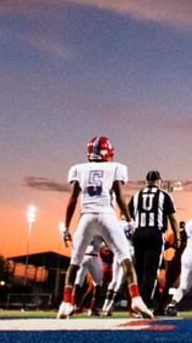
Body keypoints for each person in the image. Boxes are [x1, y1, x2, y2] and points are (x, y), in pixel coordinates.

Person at [58, 136, 152, 319]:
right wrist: (129, 218)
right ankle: (136, 299)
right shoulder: (115, 167)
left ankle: (66, 302)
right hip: (107, 216)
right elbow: (119, 196)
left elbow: (72, 200)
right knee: (125, 260)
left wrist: (67, 227)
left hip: (86, 217)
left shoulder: (78, 169)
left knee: (74, 264)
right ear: (107, 152)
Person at [128, 170, 179, 309]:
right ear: (159, 181)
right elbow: (173, 219)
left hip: (138, 233)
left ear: (146, 182)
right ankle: (145, 303)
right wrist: (177, 237)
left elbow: (130, 214)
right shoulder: (164, 195)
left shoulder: (136, 195)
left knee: (139, 270)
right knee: (150, 270)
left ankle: (137, 301)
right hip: (155, 233)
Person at [102, 220, 135, 316]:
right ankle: (109, 308)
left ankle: (105, 306)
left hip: (117, 251)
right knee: (120, 282)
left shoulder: (115, 222)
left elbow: (108, 236)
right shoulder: (134, 223)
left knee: (114, 280)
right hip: (128, 251)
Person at [72, 235, 106, 315]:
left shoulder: (98, 232)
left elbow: (104, 246)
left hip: (93, 257)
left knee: (98, 284)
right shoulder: (89, 230)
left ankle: (92, 308)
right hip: (85, 256)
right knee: (78, 282)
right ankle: (72, 305)